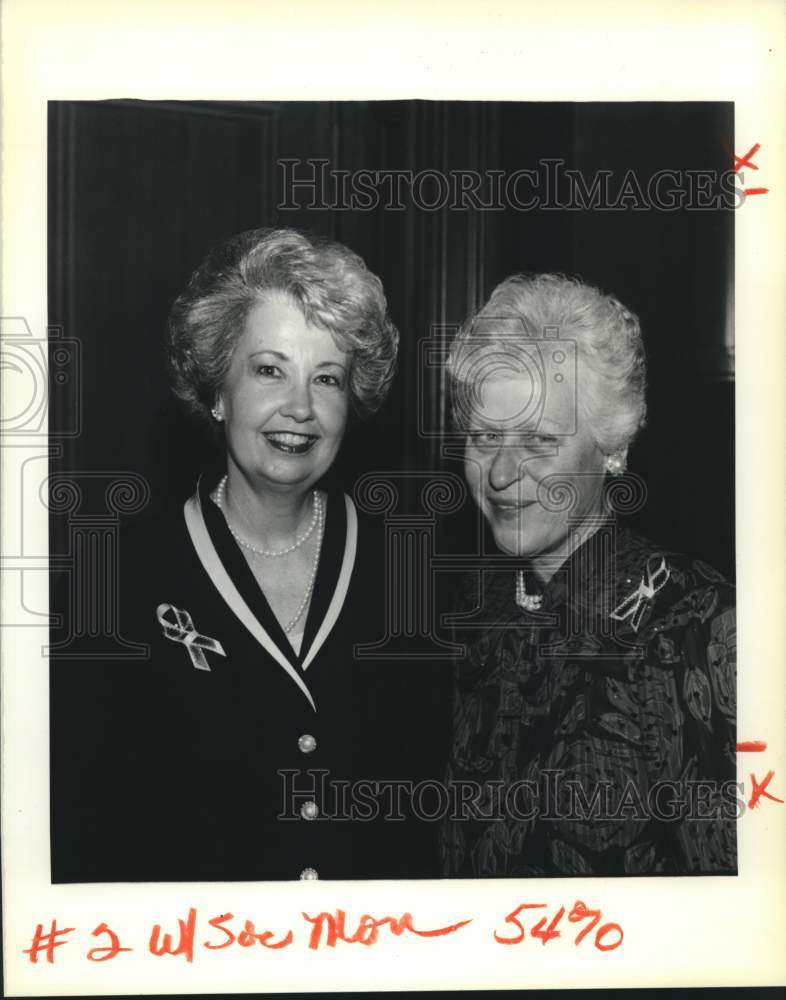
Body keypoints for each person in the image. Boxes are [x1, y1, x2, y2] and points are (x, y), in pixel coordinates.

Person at [50, 227, 446, 882]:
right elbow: (80, 836)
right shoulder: (112, 581)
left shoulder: (412, 572)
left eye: (328, 379)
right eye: (269, 371)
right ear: (216, 390)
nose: (300, 408)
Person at [440, 273, 737, 877]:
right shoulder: (476, 613)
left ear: (613, 447)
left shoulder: (696, 625)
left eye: (539, 441)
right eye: (484, 436)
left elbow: (734, 925)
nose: (500, 474)